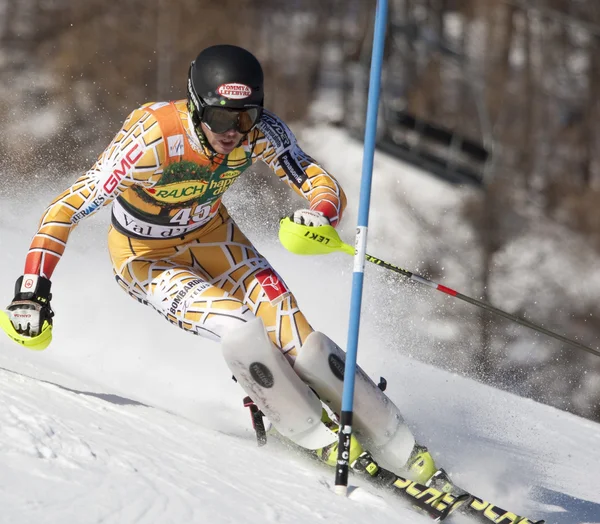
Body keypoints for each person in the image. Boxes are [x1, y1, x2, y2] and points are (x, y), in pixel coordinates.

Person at [2, 44, 443, 491]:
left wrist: (321, 213)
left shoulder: (259, 131)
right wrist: (32, 288)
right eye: (219, 119)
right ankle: (310, 432)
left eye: (245, 117)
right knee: (241, 330)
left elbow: (317, 179)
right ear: (196, 108)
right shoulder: (152, 137)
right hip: (147, 259)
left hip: (217, 239)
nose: (232, 132)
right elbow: (67, 207)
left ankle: (403, 448)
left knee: (303, 344)